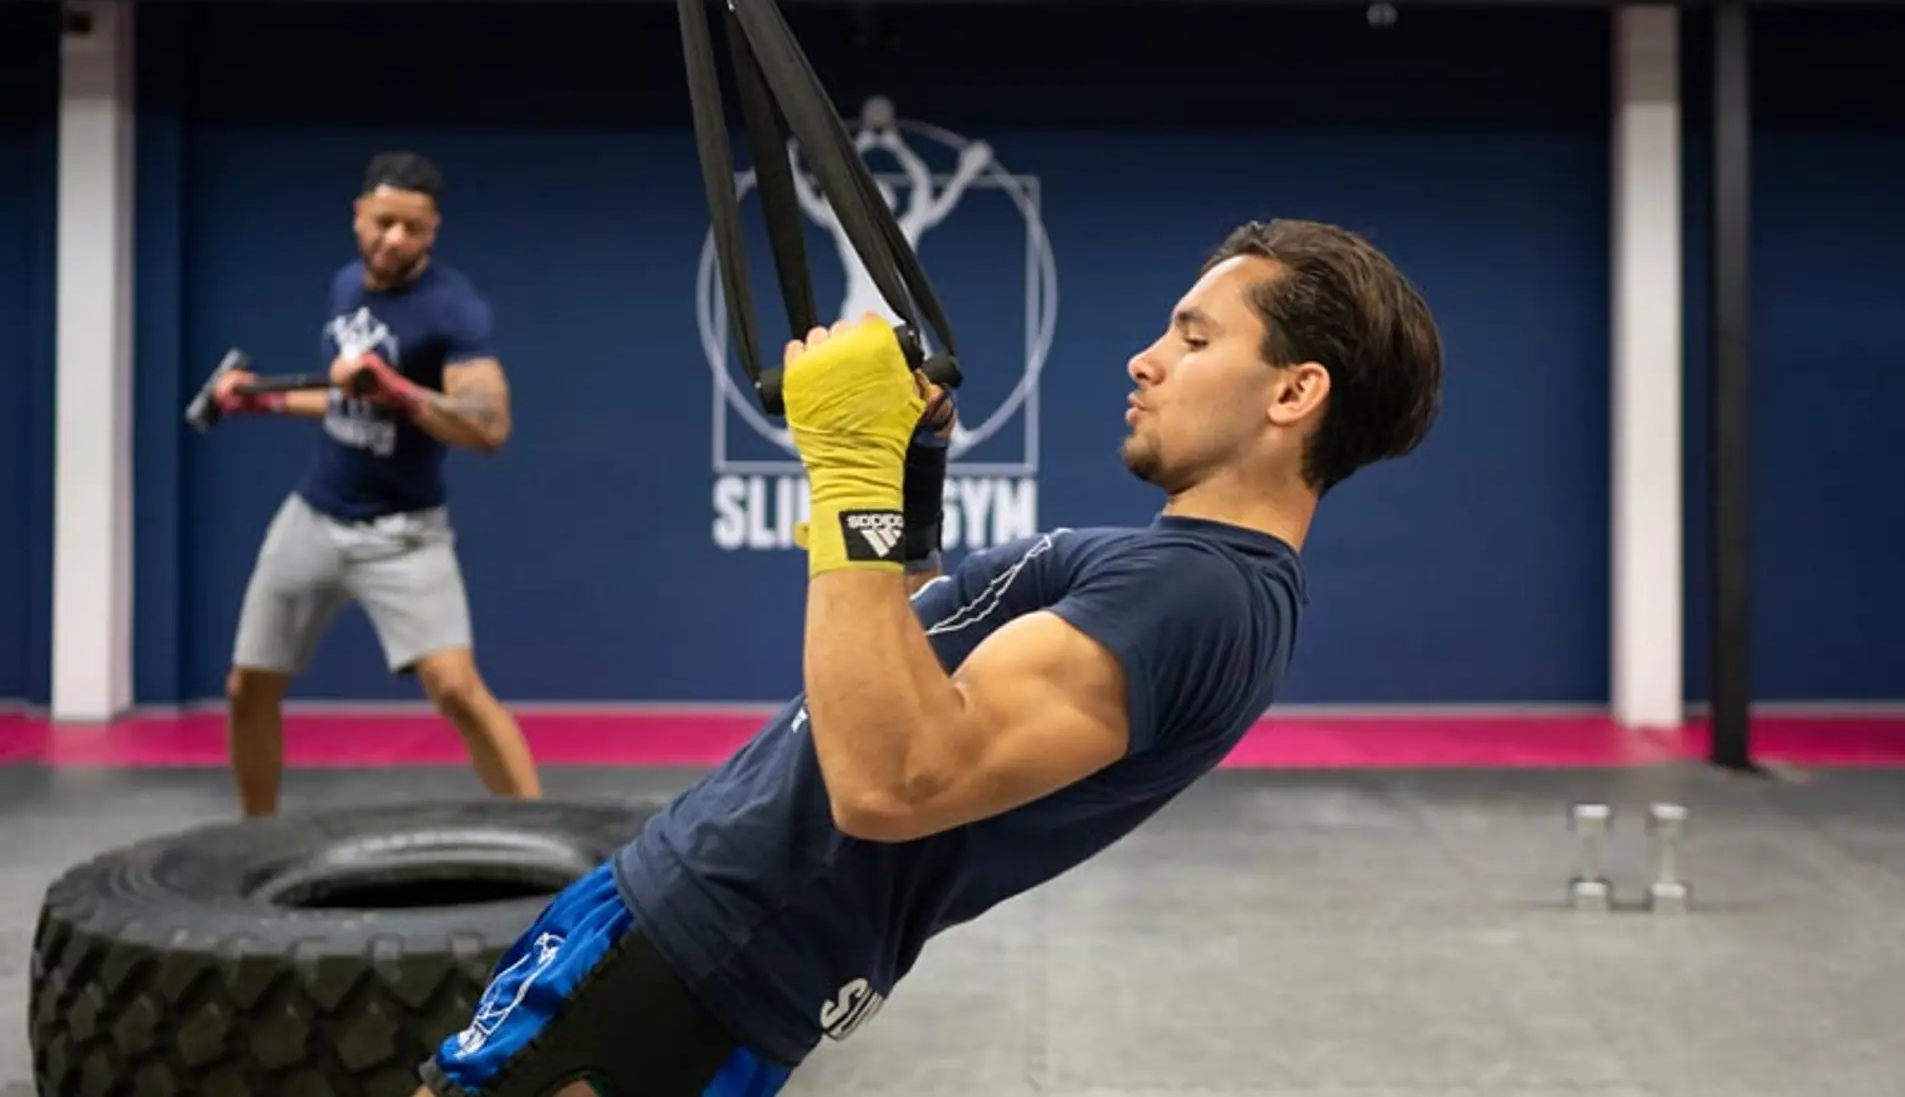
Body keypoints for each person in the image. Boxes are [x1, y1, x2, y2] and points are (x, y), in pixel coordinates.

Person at [414, 217, 1444, 1097]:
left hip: (707, 948)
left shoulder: (1202, 592)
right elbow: (915, 645)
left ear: (1294, 392)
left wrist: (851, 468)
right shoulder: (1179, 572)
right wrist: (905, 469)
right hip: (700, 924)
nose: (1147, 358)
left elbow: (894, 776)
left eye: (1194, 336)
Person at [213, 150, 542, 817]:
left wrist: (398, 389)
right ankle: (256, 835)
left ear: (432, 231)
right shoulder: (346, 287)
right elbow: (345, 399)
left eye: (412, 229)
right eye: (384, 222)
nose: (395, 239)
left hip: (403, 533)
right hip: (314, 514)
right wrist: (262, 399)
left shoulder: (453, 310)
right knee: (248, 685)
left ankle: (555, 847)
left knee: (455, 688)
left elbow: (490, 425)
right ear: (359, 215)